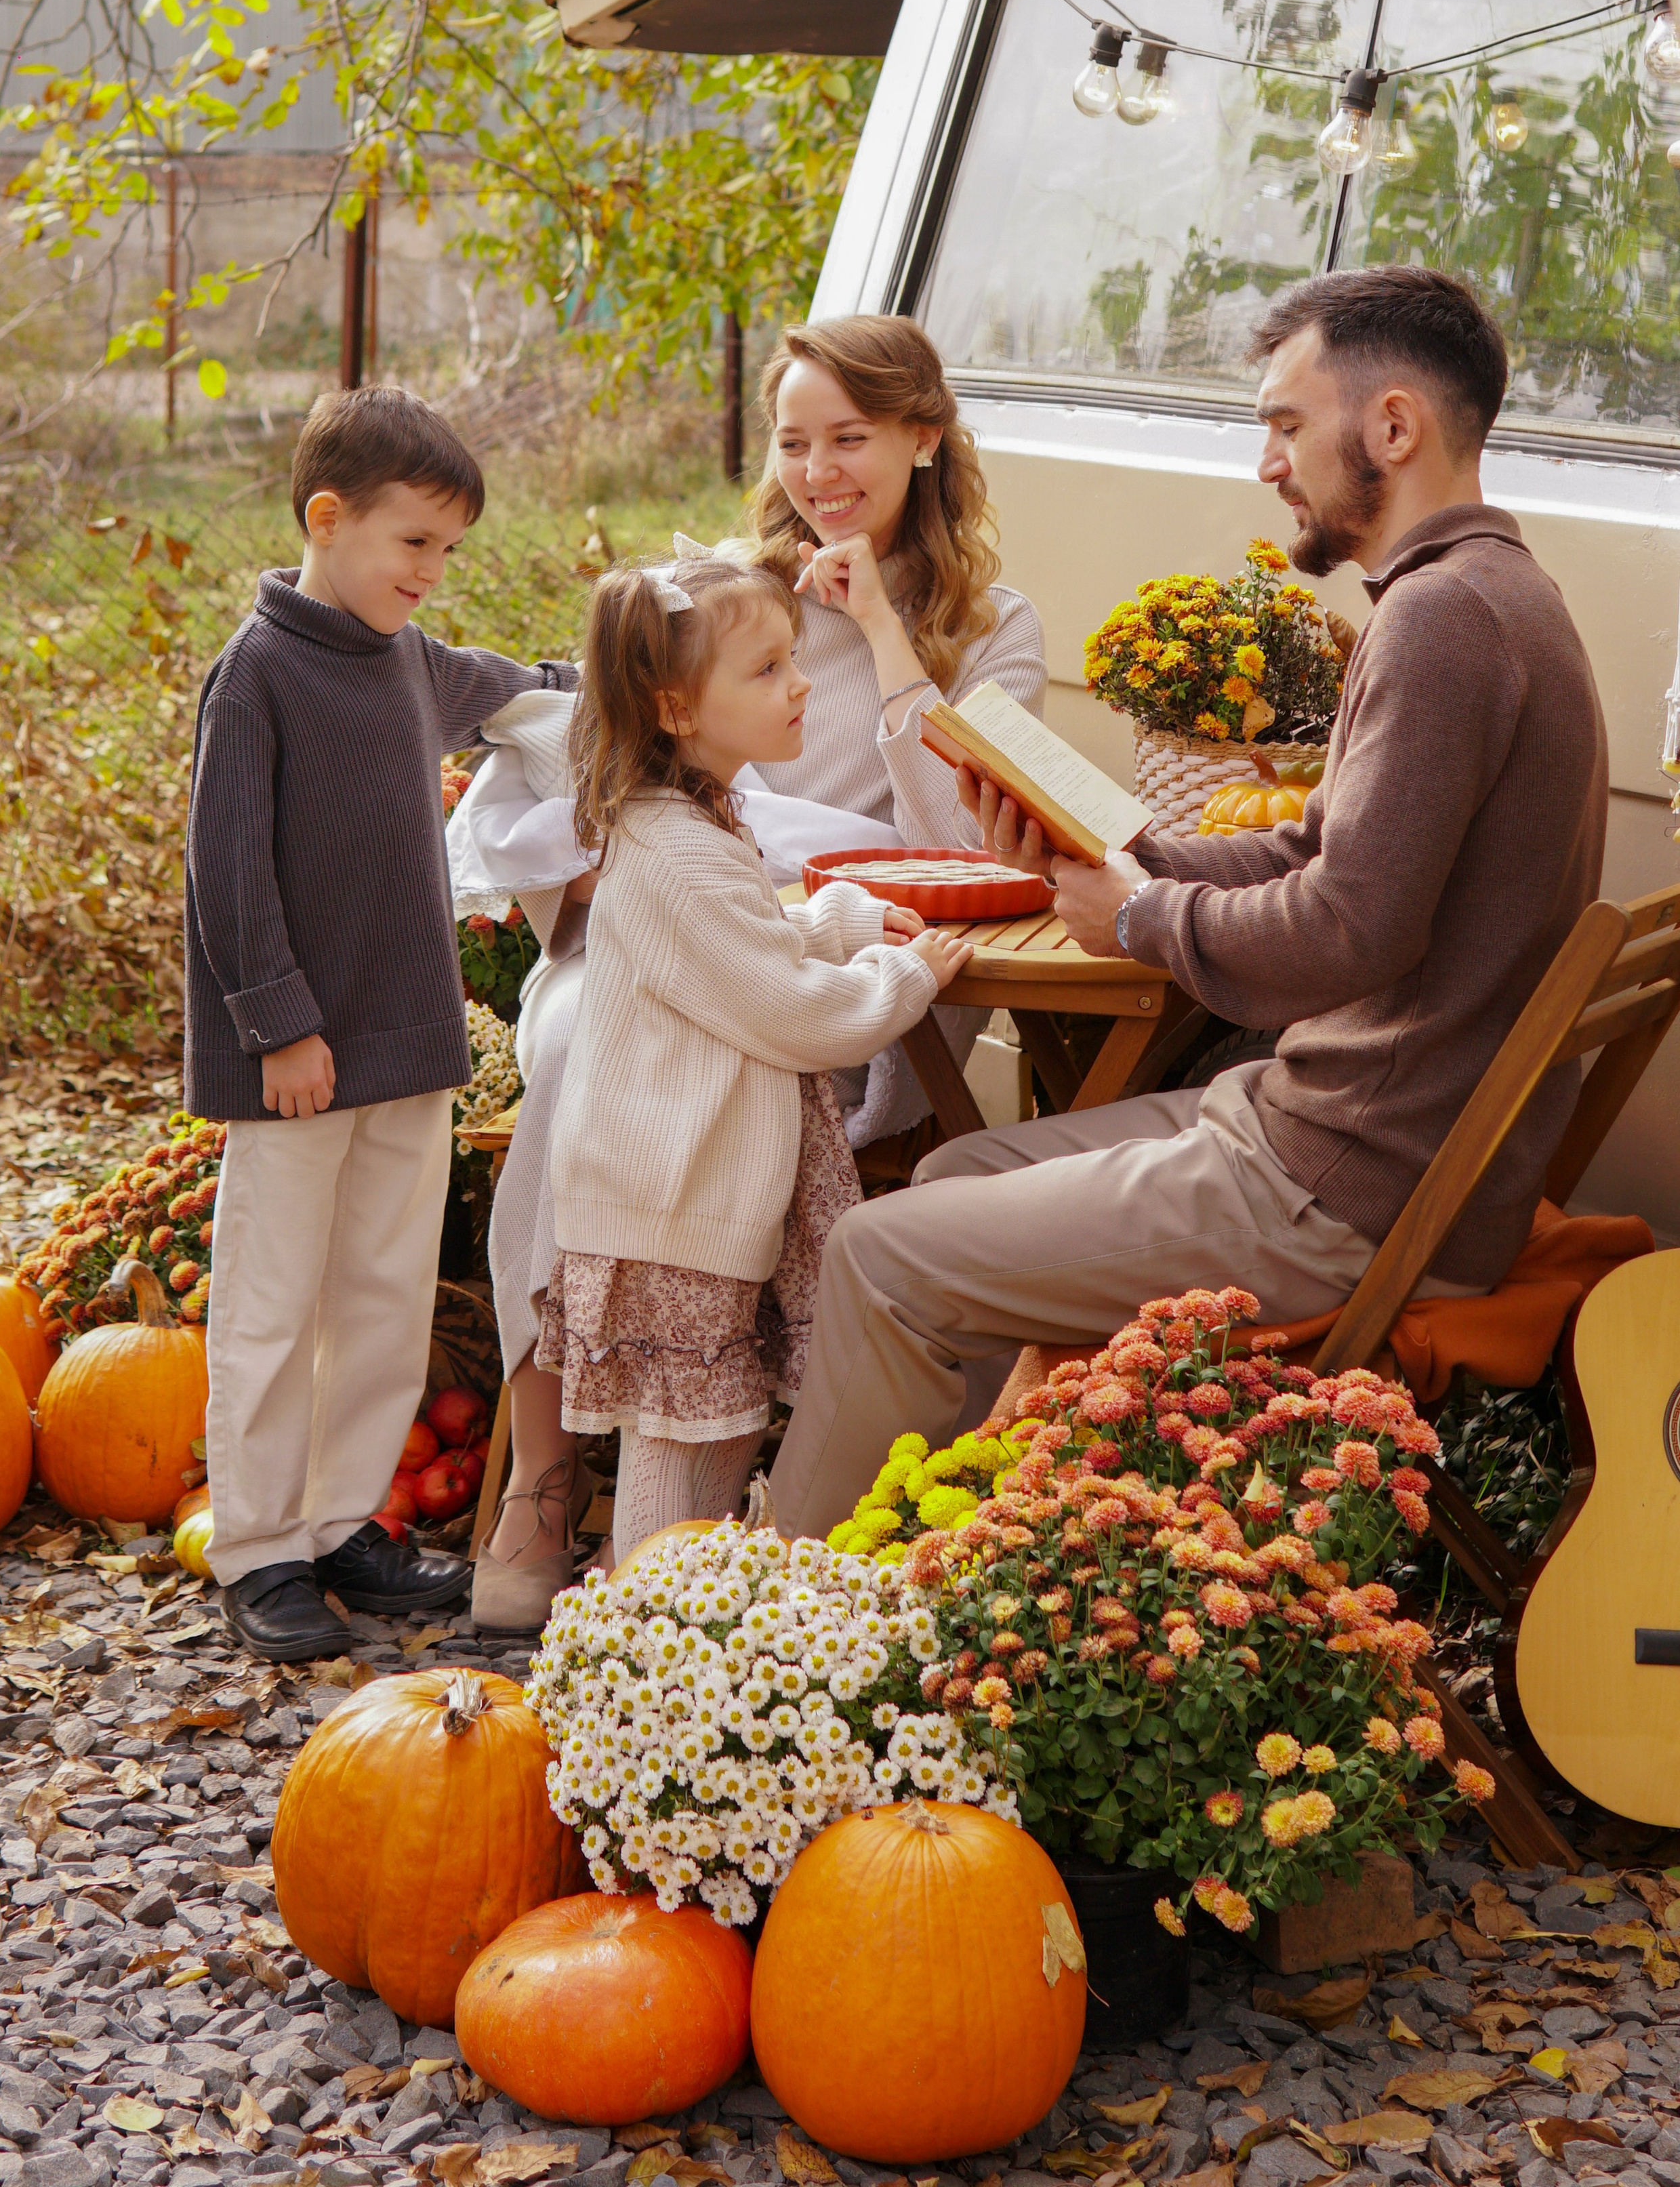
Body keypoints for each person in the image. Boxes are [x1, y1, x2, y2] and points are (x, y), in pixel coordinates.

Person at [771, 266, 1610, 1540]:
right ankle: (953, 1568)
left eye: (1285, 424)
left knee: (876, 1255)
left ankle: (794, 1628)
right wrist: (1130, 852)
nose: (1266, 462)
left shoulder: (1446, 623)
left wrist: (1138, 919)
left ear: (1393, 427)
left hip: (1342, 1189)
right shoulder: (1487, 597)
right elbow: (1324, 853)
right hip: (1344, 1141)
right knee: (958, 1163)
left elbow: (1347, 932)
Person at [469, 311, 1046, 1627]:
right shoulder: (727, 593)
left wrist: (887, 628)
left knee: (694, 1059)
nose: (818, 471)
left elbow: (958, 839)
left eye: (849, 438)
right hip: (690, 927)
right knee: (564, 1046)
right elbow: (615, 757)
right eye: (792, 442)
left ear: (922, 436)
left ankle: (697, 1484)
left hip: (838, 943)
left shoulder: (991, 622)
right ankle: (547, 1473)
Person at [185, 386, 577, 1662]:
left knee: (382, 1290)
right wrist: (277, 1024)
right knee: (271, 1293)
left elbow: (509, 686)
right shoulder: (258, 678)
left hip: (407, 1043)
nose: (433, 571)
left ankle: (346, 1516)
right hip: (298, 1056)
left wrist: (594, 676)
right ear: (327, 519)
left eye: (448, 550)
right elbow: (227, 875)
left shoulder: (410, 660)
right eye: (414, 543)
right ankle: (256, 1544)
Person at [541, 551, 970, 1560]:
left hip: (696, 1195)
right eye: (767, 669)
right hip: (667, 1206)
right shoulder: (676, 855)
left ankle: (692, 1616)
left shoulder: (688, 823)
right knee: (678, 1431)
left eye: (792, 659)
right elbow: (795, 1012)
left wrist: (847, 916)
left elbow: (753, 942)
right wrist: (911, 979)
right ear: (679, 710)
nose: (800, 683)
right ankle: (639, 1628)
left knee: (723, 1418)